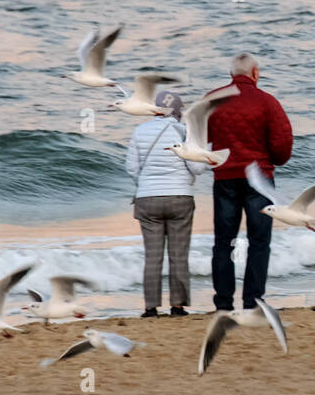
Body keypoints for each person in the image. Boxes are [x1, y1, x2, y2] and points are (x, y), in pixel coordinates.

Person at [205, 53, 293, 312]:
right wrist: (274, 160)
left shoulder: (212, 99)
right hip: (260, 181)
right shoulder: (268, 102)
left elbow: (200, 139)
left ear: (232, 74)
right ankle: (253, 300)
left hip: (224, 179)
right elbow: (282, 144)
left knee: (224, 242)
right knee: (259, 241)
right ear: (254, 73)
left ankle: (223, 302)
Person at [125, 91, 206, 318]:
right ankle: (177, 306)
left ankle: (150, 308)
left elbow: (132, 169)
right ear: (179, 111)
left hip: (147, 200)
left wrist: (147, 185)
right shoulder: (186, 131)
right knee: (178, 254)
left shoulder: (139, 131)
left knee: (153, 255)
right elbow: (198, 168)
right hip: (180, 198)